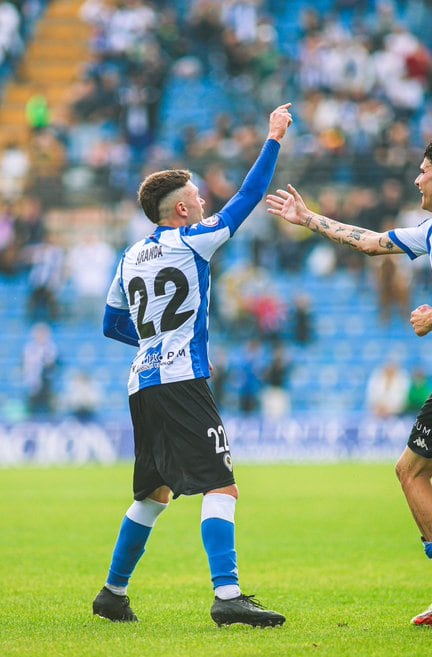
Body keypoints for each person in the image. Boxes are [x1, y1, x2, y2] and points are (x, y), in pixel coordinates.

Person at [267, 138, 432, 629]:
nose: (416, 177)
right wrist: (309, 219)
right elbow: (372, 242)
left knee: (411, 471)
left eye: (424, 169)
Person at [93, 103, 293, 628]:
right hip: (183, 379)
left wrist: (155, 339)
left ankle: (113, 594)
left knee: (153, 493)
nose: (205, 205)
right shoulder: (194, 241)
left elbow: (112, 325)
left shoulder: (130, 256)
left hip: (142, 380)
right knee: (220, 485)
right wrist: (273, 139)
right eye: (198, 199)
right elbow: (248, 199)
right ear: (181, 210)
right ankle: (227, 596)